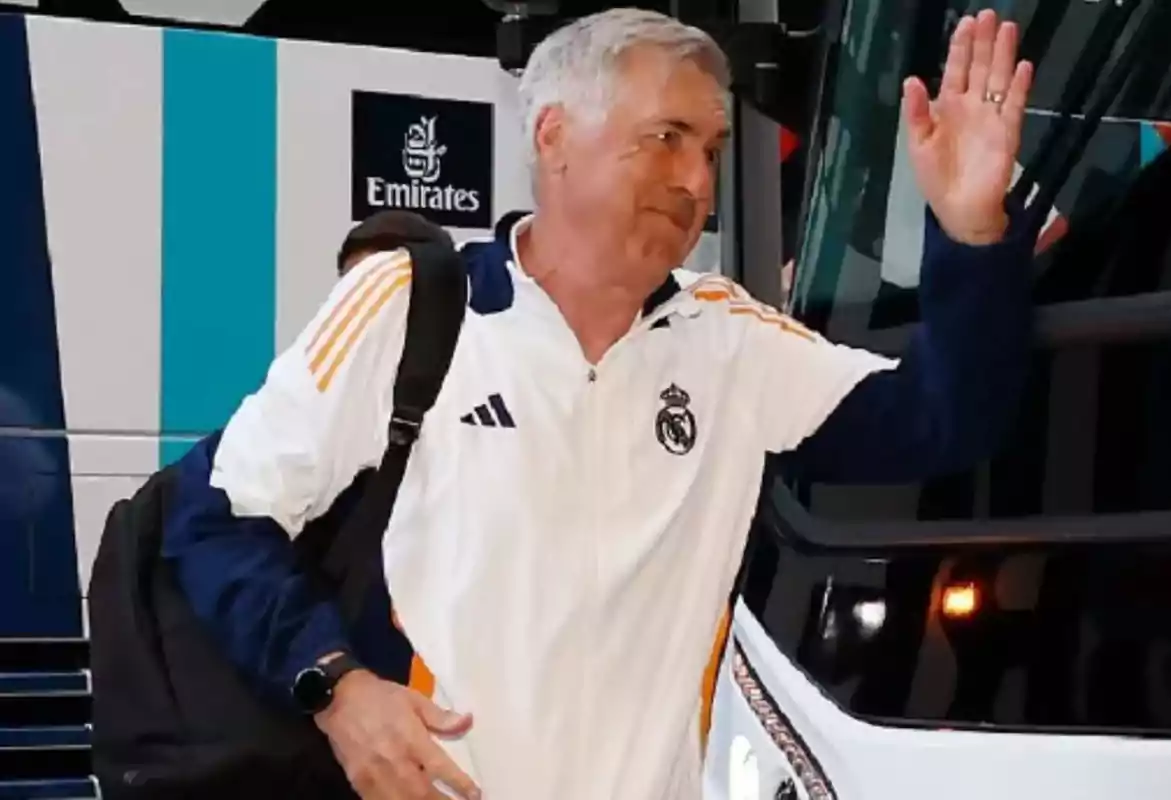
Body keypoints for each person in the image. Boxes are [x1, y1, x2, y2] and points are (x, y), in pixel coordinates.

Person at [161, 7, 1036, 800]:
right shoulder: (410, 306)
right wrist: (336, 688)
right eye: (666, 137)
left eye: (712, 149)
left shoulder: (730, 341)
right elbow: (216, 515)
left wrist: (972, 233)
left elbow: (945, 418)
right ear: (554, 137)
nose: (695, 178)